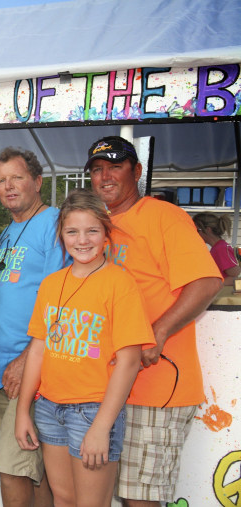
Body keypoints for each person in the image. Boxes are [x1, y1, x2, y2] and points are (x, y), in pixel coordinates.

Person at [85, 135, 222, 506]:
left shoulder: (163, 216)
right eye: (97, 170)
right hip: (109, 389)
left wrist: (158, 331)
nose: (105, 176)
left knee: (140, 500)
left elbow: (208, 280)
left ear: (137, 171)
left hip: (157, 386)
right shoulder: (99, 227)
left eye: (115, 166)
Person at [15, 189, 154, 506]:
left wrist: (101, 427)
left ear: (106, 234)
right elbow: (38, 350)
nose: (82, 240)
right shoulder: (52, 283)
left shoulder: (120, 283)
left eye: (92, 230)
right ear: (61, 235)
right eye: (72, 231)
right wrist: (24, 411)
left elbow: (129, 362)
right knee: (63, 497)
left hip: (94, 410)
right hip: (50, 408)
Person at [0, 147, 62, 507]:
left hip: (27, 369)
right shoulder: (8, 230)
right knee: (29, 471)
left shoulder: (55, 222)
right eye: (1, 181)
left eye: (17, 178)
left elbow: (60, 298)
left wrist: (29, 357)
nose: (8, 187)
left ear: (38, 181)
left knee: (13, 468)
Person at [193, 212, 240, 285]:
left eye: (197, 230)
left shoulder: (220, 249)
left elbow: (235, 276)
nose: (195, 234)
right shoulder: (217, 248)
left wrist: (213, 285)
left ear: (208, 230)